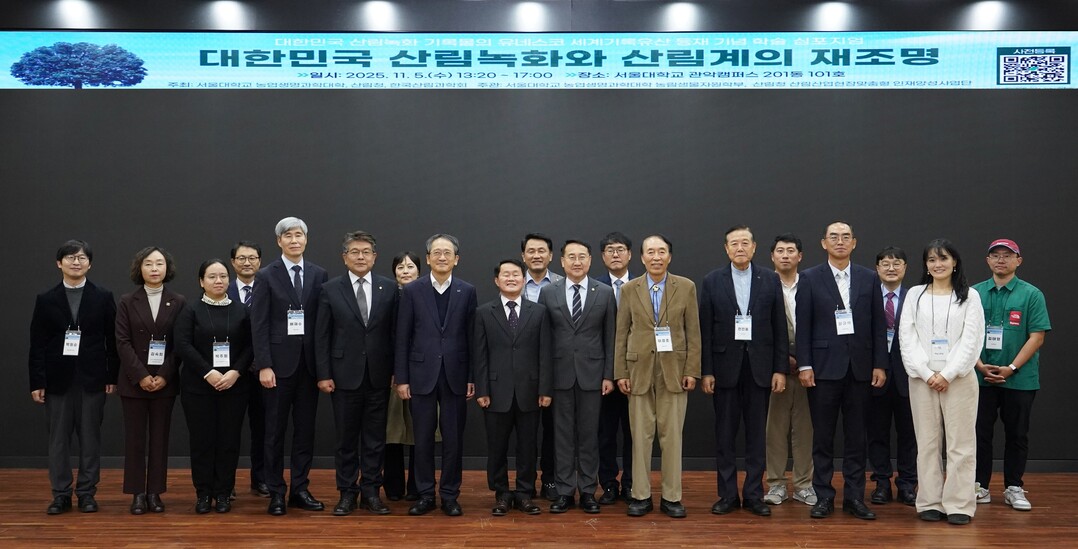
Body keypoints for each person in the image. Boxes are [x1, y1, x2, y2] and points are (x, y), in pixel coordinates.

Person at [796, 221, 888, 521]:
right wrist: (805, 364)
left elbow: (878, 324)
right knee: (822, 438)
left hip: (860, 369)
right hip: (822, 370)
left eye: (845, 237)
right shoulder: (809, 277)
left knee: (856, 438)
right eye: (833, 237)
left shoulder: (868, 277)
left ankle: (854, 498)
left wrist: (879, 364)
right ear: (824, 243)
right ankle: (823, 496)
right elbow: (804, 325)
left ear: (854, 242)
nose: (839, 242)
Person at [699, 226, 787, 517]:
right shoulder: (712, 281)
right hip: (724, 368)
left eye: (745, 243)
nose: (740, 248)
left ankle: (753, 494)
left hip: (760, 368)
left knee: (756, 437)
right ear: (726, 249)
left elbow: (779, 328)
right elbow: (706, 330)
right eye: (734, 243)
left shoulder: (770, 279)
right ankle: (726, 495)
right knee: (724, 435)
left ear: (754, 247)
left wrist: (780, 369)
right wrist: (707, 370)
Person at [614, 234, 701, 518]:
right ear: (641, 257)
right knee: (640, 437)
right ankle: (640, 496)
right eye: (650, 252)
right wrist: (620, 372)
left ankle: (671, 497)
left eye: (661, 251)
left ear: (669, 256)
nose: (656, 257)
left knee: (672, 436)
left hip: (674, 372)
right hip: (637, 371)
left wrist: (692, 370)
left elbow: (693, 333)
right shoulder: (629, 289)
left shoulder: (686, 287)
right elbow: (621, 333)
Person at [29, 240, 119, 515]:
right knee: (58, 441)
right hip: (57, 381)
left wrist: (111, 375)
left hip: (92, 379)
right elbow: (37, 343)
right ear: (59, 263)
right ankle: (61, 494)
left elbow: (112, 342)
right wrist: (37, 381)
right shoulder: (46, 299)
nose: (76, 262)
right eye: (70, 258)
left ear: (89, 263)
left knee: (91, 439)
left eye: (81, 258)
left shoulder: (103, 296)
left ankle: (86, 493)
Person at [899, 239, 985, 525]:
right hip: (922, 379)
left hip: (959, 379)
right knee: (927, 443)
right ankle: (930, 501)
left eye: (943, 259)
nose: (938, 264)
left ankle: (960, 503)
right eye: (932, 260)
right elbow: (906, 337)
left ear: (955, 262)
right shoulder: (914, 295)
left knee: (961, 444)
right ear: (925, 265)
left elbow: (971, 340)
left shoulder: (970, 296)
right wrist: (927, 373)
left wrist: (947, 374)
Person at [315, 231, 399, 516]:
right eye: (355, 251)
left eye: (366, 252)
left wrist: (396, 371)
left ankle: (372, 492)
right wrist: (323, 373)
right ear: (344, 257)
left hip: (379, 375)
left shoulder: (389, 288)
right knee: (346, 440)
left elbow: (395, 335)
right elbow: (322, 336)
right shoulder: (330, 289)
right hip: (342, 376)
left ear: (375, 257)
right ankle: (347, 492)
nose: (360, 256)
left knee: (375, 439)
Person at [395, 234, 477, 517]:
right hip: (420, 374)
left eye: (448, 253)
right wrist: (402, 378)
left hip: (455, 374)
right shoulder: (413, 291)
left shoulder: (467, 291)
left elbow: (470, 337)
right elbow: (403, 337)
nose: (442, 257)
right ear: (428, 258)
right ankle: (425, 494)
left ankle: (450, 495)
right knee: (423, 438)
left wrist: (471, 376)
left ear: (457, 259)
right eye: (436, 253)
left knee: (453, 439)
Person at [250, 216, 328, 516]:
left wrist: (323, 370)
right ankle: (276, 492)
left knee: (305, 431)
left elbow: (322, 327)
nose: (294, 240)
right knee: (274, 432)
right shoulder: (267, 275)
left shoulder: (319, 274)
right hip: (277, 369)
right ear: (279, 241)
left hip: (308, 368)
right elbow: (259, 325)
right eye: (288, 236)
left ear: (306, 239)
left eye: (299, 235)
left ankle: (300, 488)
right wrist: (264, 365)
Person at [539, 240, 617, 514]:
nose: (576, 262)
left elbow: (611, 338)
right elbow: (544, 340)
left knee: (589, 436)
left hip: (593, 376)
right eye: (571, 257)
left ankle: (587, 491)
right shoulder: (548, 293)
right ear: (561, 261)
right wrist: (544, 379)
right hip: (559, 375)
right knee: (561, 437)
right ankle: (563, 492)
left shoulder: (605, 293)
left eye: (581, 257)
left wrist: (609, 375)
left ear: (590, 260)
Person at [973, 239, 1050, 511]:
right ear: (988, 260)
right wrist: (980, 365)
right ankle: (979, 486)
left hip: (1019, 379)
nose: (1001, 260)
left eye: (1008, 255)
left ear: (1019, 260)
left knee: (1017, 434)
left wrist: (1012, 368)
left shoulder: (1032, 295)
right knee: (979, 434)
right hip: (980, 377)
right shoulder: (973, 293)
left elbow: (1037, 336)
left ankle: (1013, 487)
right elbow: (964, 336)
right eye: (995, 255)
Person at [473, 259, 553, 516]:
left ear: (523, 279)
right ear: (497, 280)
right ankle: (501, 494)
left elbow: (545, 354)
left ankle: (524, 493)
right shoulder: (484, 312)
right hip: (496, 392)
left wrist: (545, 389)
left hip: (530, 391)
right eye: (505, 275)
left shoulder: (538, 311)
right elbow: (480, 354)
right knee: (497, 447)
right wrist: (483, 390)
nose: (511, 278)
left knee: (528, 446)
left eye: (516, 274)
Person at [175, 259, 252, 514]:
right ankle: (203, 493)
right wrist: (208, 372)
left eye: (222, 276)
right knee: (202, 441)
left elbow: (250, 346)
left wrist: (235, 372)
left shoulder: (242, 310)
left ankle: (223, 493)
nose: (218, 281)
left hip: (234, 386)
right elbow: (183, 345)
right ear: (201, 281)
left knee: (229, 441)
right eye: (212, 277)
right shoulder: (191, 310)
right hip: (198, 387)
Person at [115, 246, 186, 515]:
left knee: (159, 439)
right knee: (134, 440)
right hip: (134, 381)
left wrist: (164, 375)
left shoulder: (178, 301)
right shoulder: (126, 300)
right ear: (139, 268)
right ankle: (137, 493)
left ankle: (155, 492)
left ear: (167, 268)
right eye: (148, 263)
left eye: (159, 263)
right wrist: (142, 376)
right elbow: (122, 342)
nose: (154, 268)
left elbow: (180, 344)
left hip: (164, 382)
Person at [763, 234, 817, 507]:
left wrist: (805, 360)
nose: (785, 255)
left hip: (809, 369)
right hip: (777, 370)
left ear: (800, 256)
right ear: (772, 256)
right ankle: (775, 484)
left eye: (791, 251)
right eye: (780, 251)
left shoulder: (811, 284)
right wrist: (782, 361)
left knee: (805, 430)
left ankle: (804, 485)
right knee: (775, 429)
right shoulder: (762, 285)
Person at [868, 247, 917, 506]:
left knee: (909, 434)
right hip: (874, 376)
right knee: (877, 433)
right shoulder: (867, 298)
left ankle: (908, 484)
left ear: (905, 268)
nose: (891, 268)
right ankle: (882, 483)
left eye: (897, 263)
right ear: (877, 269)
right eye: (885, 263)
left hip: (908, 376)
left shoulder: (916, 298)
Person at [520, 232, 564, 500]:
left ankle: (550, 478)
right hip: (521, 369)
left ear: (550, 255)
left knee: (553, 427)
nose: (536, 255)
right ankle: (525, 482)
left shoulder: (563, 283)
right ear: (523, 255)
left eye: (542, 251)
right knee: (525, 429)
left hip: (554, 367)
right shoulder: (511, 281)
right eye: (531, 251)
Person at [595, 231, 635, 504]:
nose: (616, 254)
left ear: (630, 255)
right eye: (610, 250)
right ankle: (608, 484)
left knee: (635, 434)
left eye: (620, 249)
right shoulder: (594, 287)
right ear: (602, 256)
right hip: (603, 375)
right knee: (605, 433)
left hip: (637, 373)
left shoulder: (644, 285)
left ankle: (633, 484)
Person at [228, 240, 268, 498]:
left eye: (252, 258)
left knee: (263, 429)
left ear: (260, 262)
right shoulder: (221, 289)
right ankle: (226, 483)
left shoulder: (269, 289)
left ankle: (261, 479)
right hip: (232, 372)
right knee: (229, 429)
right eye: (241, 258)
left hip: (262, 370)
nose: (247, 262)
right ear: (233, 263)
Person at [383, 251, 421, 502]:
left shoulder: (425, 296)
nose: (405, 271)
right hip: (390, 375)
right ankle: (393, 486)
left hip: (421, 374)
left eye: (410, 267)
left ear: (419, 270)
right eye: (400, 267)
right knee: (391, 432)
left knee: (421, 431)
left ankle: (418, 486)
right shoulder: (385, 296)